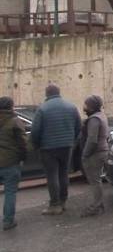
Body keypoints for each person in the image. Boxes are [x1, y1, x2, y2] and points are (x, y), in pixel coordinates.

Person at [31, 84, 81, 216]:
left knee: (52, 175)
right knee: (63, 174)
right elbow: (78, 126)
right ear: (59, 92)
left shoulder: (42, 109)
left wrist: (36, 145)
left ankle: (55, 205)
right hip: (67, 146)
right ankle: (63, 201)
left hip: (48, 148)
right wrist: (72, 140)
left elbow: (35, 131)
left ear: (47, 94)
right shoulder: (71, 107)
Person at [79, 95, 109, 217]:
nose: (84, 106)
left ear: (91, 106)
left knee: (95, 181)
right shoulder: (101, 116)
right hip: (102, 151)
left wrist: (85, 155)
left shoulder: (94, 120)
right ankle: (99, 204)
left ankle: (97, 206)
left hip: (95, 153)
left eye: (85, 104)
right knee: (96, 180)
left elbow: (92, 139)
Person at [0, 96, 26, 231]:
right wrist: (22, 158)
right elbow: (23, 143)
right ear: (11, 107)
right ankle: (8, 221)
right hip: (10, 162)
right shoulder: (15, 121)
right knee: (10, 192)